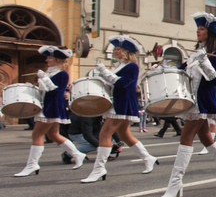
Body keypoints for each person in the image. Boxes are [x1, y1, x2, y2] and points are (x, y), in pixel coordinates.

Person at [159, 13, 216, 197]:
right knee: (205, 137)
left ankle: (175, 183)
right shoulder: (196, 52)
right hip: (192, 98)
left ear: (209, 33)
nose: (198, 31)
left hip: (203, 99)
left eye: (201, 29)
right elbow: (183, 71)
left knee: (186, 136)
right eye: (198, 28)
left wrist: (204, 61)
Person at [82, 36, 158, 183]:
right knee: (125, 135)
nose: (115, 51)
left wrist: (105, 72)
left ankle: (99, 169)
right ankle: (148, 158)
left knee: (104, 135)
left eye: (118, 49)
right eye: (115, 49)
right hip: (117, 102)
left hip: (122, 104)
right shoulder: (119, 66)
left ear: (125, 52)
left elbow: (122, 84)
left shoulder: (132, 66)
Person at [15, 46, 88, 176]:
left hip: (52, 106)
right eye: (47, 57)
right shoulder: (49, 73)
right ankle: (77, 154)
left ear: (58, 60)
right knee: (53, 135)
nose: (47, 60)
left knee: (37, 135)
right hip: (47, 105)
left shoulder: (62, 74)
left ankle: (32, 165)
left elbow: (56, 92)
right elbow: (44, 91)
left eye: (50, 57)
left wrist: (45, 79)